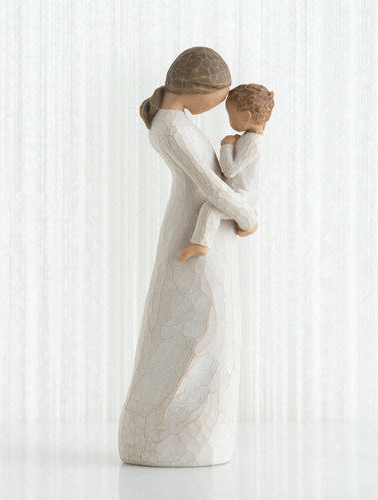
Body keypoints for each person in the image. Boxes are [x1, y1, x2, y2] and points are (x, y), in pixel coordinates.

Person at [118, 47, 258, 467]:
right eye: (216, 100)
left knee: (198, 330)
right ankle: (166, 435)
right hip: (197, 241)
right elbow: (210, 185)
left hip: (204, 231)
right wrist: (248, 215)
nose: (218, 108)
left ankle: (185, 434)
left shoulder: (176, 121)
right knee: (200, 331)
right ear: (197, 91)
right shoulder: (173, 128)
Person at [179, 84, 275, 261]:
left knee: (210, 209)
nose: (230, 121)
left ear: (246, 116)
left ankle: (200, 244)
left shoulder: (254, 143)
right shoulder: (249, 139)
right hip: (236, 192)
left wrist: (226, 145)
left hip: (241, 195)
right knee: (213, 207)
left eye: (232, 117)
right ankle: (244, 221)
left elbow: (230, 170)